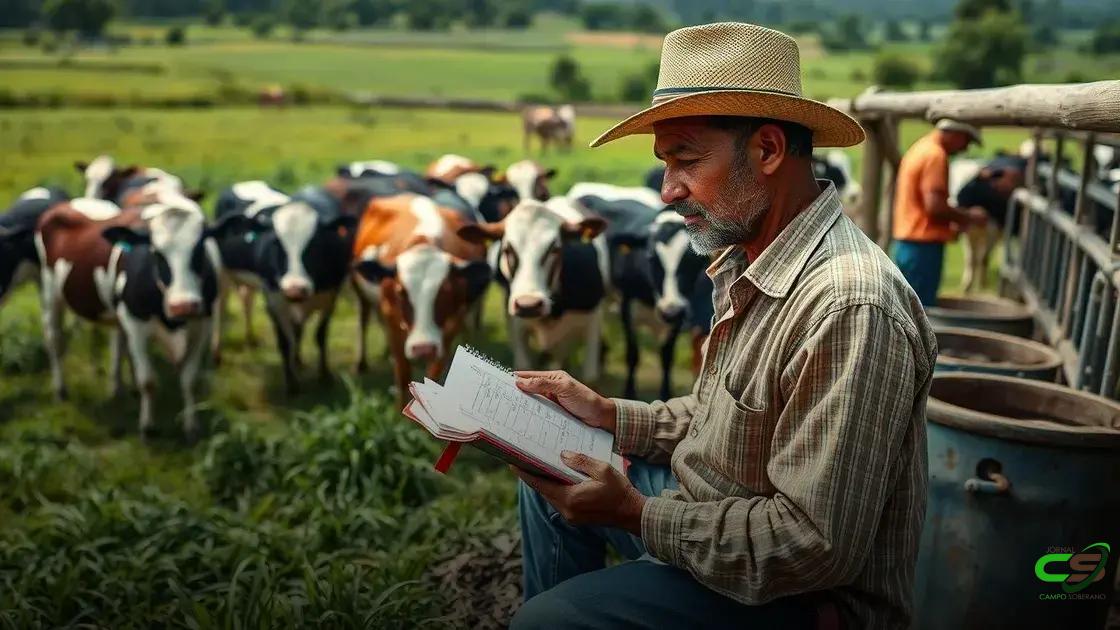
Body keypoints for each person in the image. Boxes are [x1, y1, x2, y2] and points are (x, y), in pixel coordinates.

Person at [509, 22, 936, 630]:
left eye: (685, 159)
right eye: (665, 164)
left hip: (803, 602)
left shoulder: (849, 307)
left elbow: (812, 545)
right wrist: (609, 415)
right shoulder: (749, 257)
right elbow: (723, 417)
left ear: (767, 150)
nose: (666, 191)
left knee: (545, 623)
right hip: (711, 509)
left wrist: (636, 514)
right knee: (552, 470)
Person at [891, 118, 988, 306]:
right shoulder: (936, 156)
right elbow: (935, 207)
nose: (965, 148)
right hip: (923, 248)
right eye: (967, 140)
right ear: (957, 134)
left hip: (908, 243)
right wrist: (969, 217)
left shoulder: (920, 147)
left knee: (905, 307)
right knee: (920, 310)